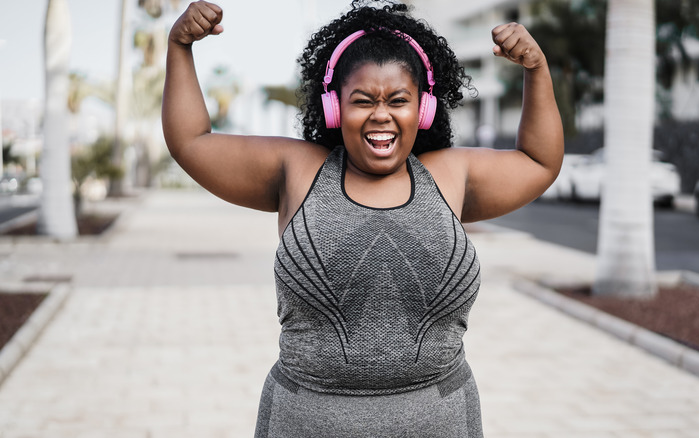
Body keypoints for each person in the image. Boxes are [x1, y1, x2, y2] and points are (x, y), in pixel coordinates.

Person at [163, 1, 563, 436]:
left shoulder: (450, 174)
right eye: (362, 100)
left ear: (423, 109)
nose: (381, 114)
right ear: (335, 108)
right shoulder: (297, 169)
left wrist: (536, 69)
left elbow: (539, 160)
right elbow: (191, 141)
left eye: (398, 100)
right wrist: (179, 45)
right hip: (304, 424)